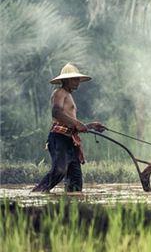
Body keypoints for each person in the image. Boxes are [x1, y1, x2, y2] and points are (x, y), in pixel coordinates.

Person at [32, 63, 106, 192]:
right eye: (74, 79)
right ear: (65, 80)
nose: (77, 82)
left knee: (75, 181)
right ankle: (36, 195)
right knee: (59, 170)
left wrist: (91, 126)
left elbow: (71, 124)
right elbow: (56, 112)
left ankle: (71, 206)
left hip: (70, 141)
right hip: (59, 139)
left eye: (77, 79)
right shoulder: (59, 92)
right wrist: (78, 124)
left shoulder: (69, 96)